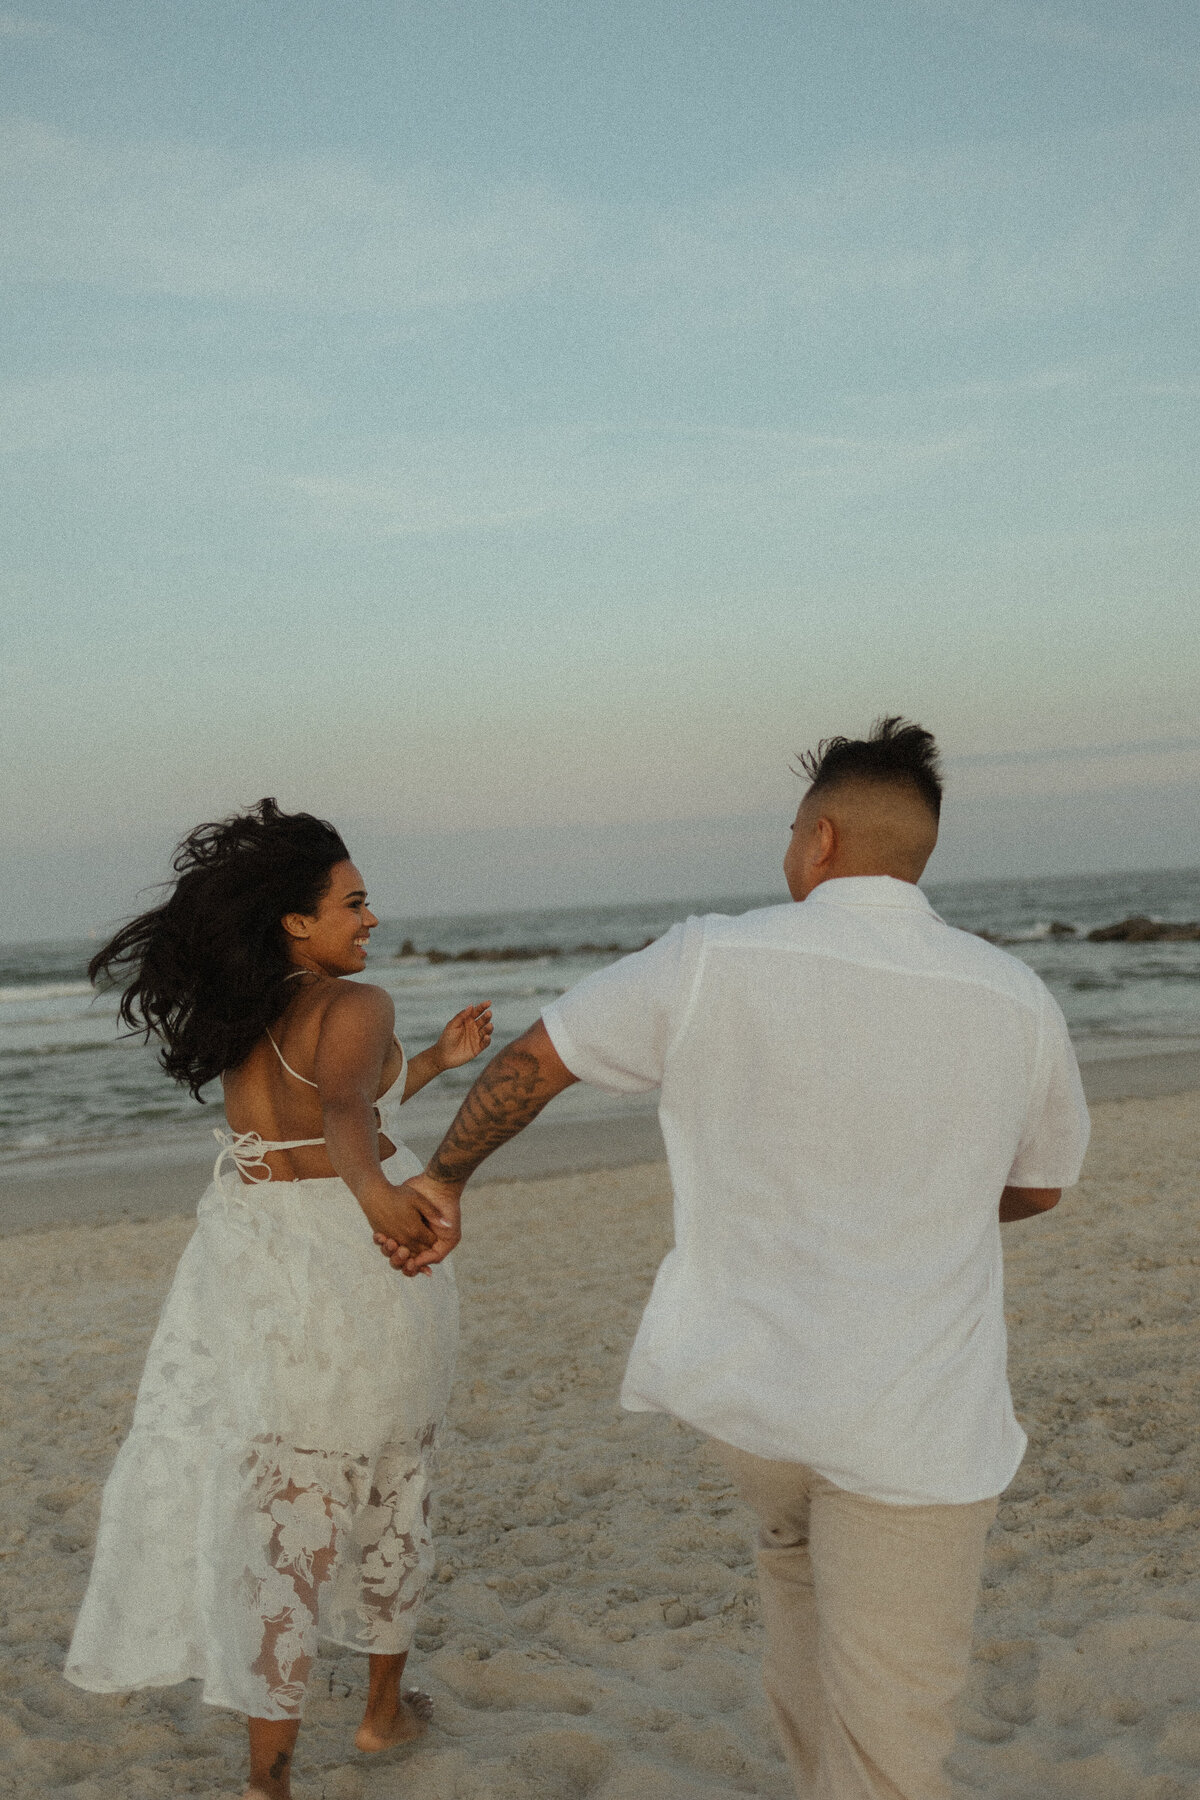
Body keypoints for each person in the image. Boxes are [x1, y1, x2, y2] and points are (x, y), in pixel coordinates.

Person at [376, 718, 1090, 1800]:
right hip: (911, 1416)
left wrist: (444, 1180)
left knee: (801, 1620)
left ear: (822, 839)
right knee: (902, 1730)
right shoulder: (1014, 999)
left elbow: (540, 1055)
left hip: (754, 1399)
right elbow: (1041, 1184)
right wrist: (921, 1205)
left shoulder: (714, 956)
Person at [64, 799, 492, 1800]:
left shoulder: (244, 1015)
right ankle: (382, 1715)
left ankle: (269, 1779)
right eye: (354, 902)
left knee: (284, 1515)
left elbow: (330, 1109)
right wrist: (384, 1200)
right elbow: (345, 1113)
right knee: (393, 1479)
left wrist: (434, 1063)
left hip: (258, 1267)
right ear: (297, 920)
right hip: (352, 1261)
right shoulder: (360, 1003)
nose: (371, 920)